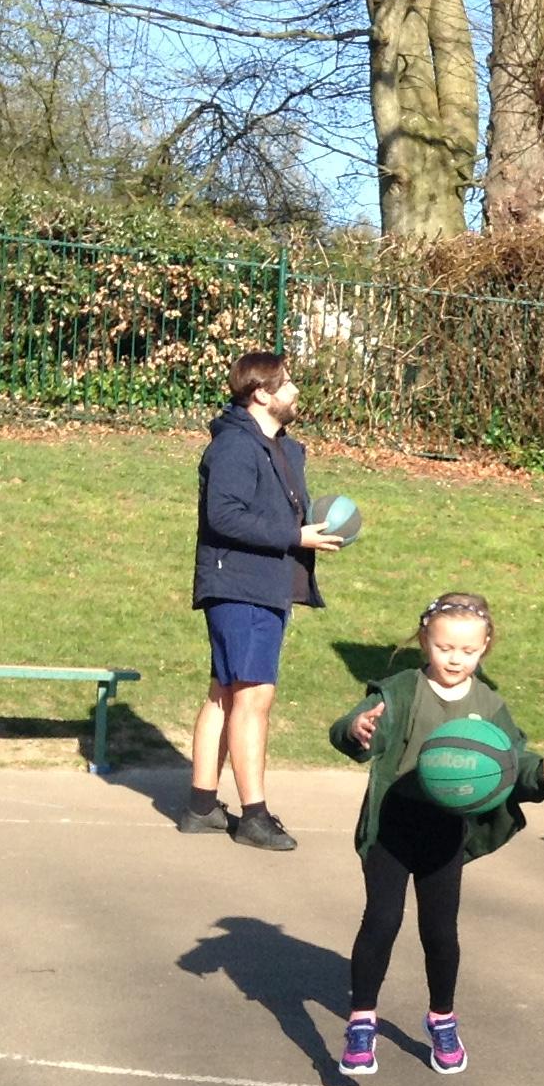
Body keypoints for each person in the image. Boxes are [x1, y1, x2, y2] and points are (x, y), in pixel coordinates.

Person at [329, 592, 544, 1079]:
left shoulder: (488, 705)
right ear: (425, 641)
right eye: (444, 647)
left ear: (485, 647)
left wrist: (541, 776)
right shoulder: (401, 690)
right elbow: (348, 728)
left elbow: (513, 761)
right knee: (381, 921)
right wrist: (357, 729)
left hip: (445, 832)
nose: (455, 659)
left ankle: (442, 1019)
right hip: (394, 825)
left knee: (439, 932)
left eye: (468, 651)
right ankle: (362, 1021)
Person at [181, 350, 341, 850]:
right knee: (253, 698)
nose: (294, 390)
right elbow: (223, 516)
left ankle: (201, 807)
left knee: (224, 694)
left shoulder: (284, 448)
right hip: (241, 586)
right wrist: (295, 536)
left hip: (261, 585)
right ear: (260, 394)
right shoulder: (234, 446)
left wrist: (316, 527)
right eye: (286, 383)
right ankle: (254, 816)